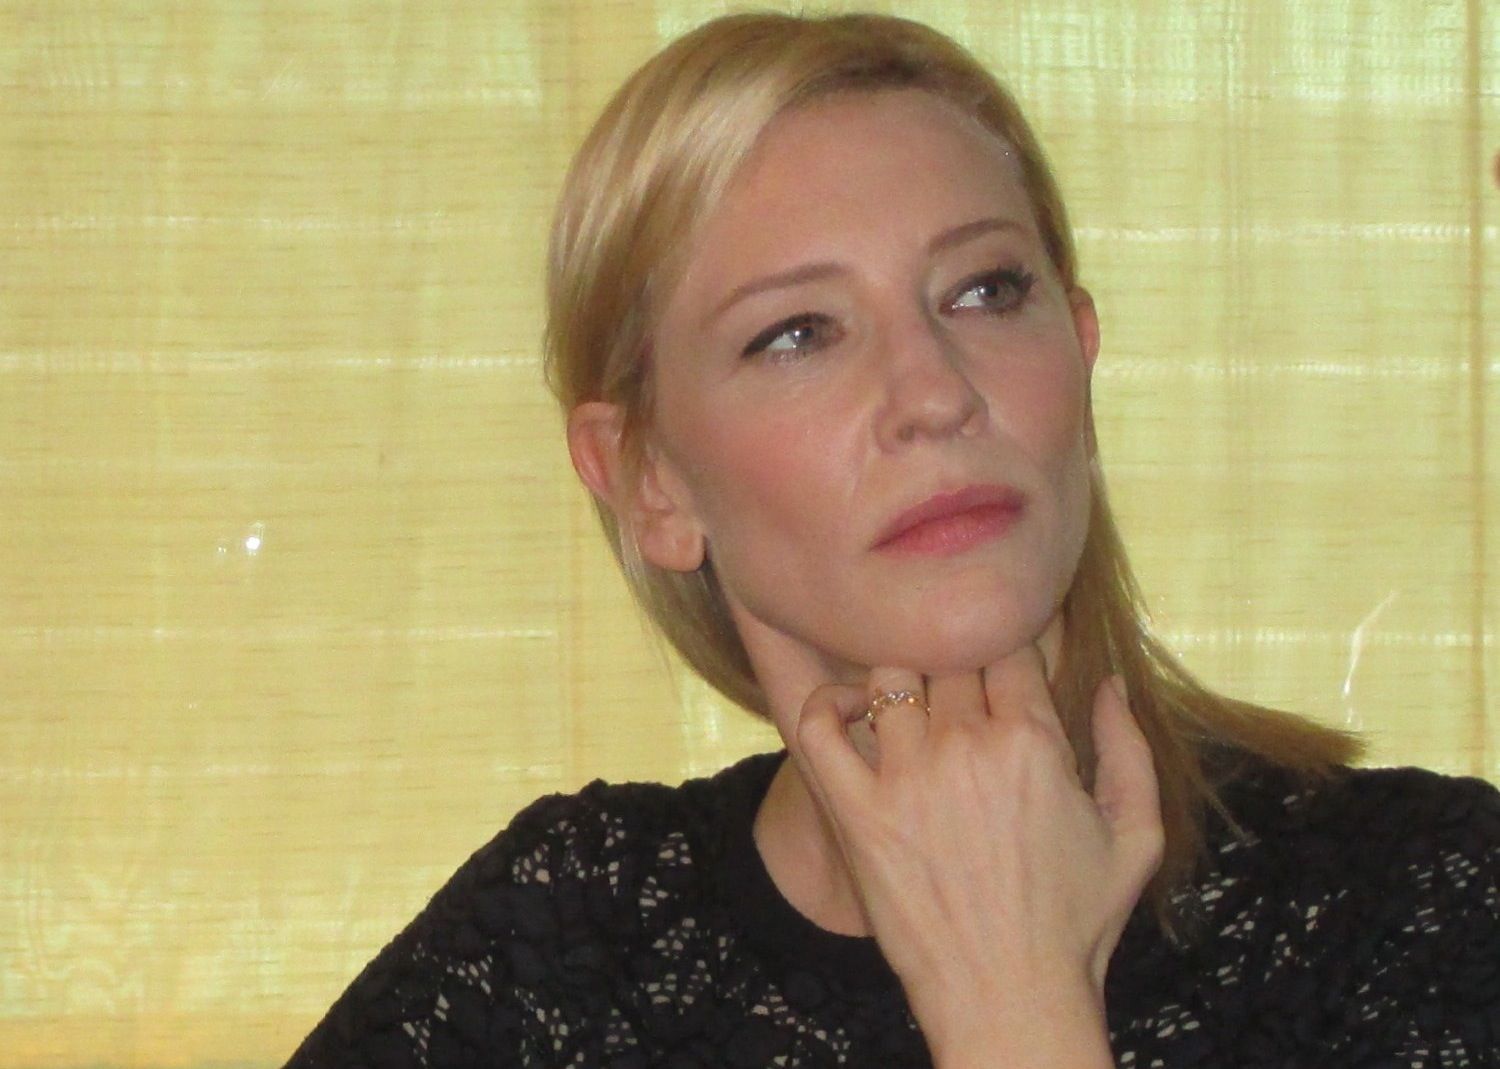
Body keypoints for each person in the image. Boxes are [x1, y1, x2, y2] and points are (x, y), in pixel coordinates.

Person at [285, 12, 1498, 1067]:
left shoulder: (1417, 900)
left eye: (984, 291)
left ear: (1079, 351)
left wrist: (1015, 1002)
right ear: (650, 482)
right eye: (797, 334)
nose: (934, 393)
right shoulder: (559, 941)